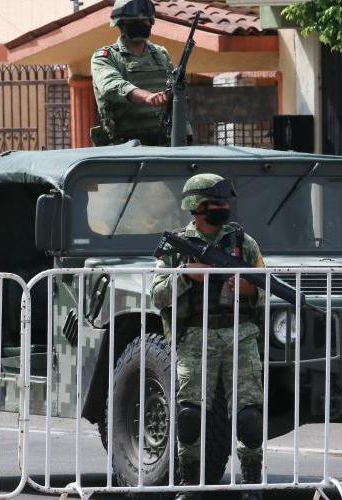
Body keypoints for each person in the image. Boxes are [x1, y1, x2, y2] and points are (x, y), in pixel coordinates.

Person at [151, 173, 265, 500]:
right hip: (194, 337)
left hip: (239, 335)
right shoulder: (177, 246)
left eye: (224, 203)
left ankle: (253, 485)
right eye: (215, 204)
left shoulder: (244, 243)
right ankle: (190, 485)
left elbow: (265, 288)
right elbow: (158, 296)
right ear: (196, 208)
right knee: (189, 417)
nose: (222, 208)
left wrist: (249, 290)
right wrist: (187, 275)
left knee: (249, 417)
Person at [90, 0, 172, 146]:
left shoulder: (161, 55)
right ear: (121, 24)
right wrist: (147, 97)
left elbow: (178, 97)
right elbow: (112, 86)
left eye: (145, 20)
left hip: (164, 145)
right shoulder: (105, 57)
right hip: (122, 148)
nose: (141, 24)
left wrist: (185, 134)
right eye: (135, 21)